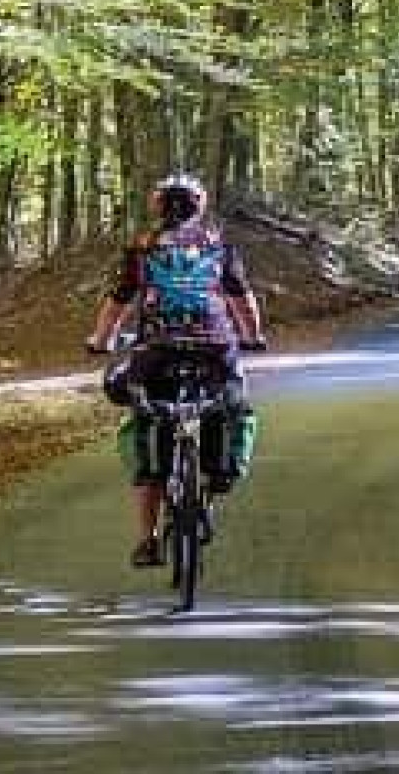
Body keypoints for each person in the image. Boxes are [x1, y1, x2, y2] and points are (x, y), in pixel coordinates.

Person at [85, 173, 267, 567]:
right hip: (215, 351)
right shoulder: (219, 245)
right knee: (232, 404)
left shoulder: (143, 247)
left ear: (158, 206)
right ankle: (215, 480)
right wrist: (253, 336)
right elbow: (241, 298)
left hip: (156, 353)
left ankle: (147, 538)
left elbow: (118, 301)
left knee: (146, 421)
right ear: (199, 206)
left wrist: (99, 341)